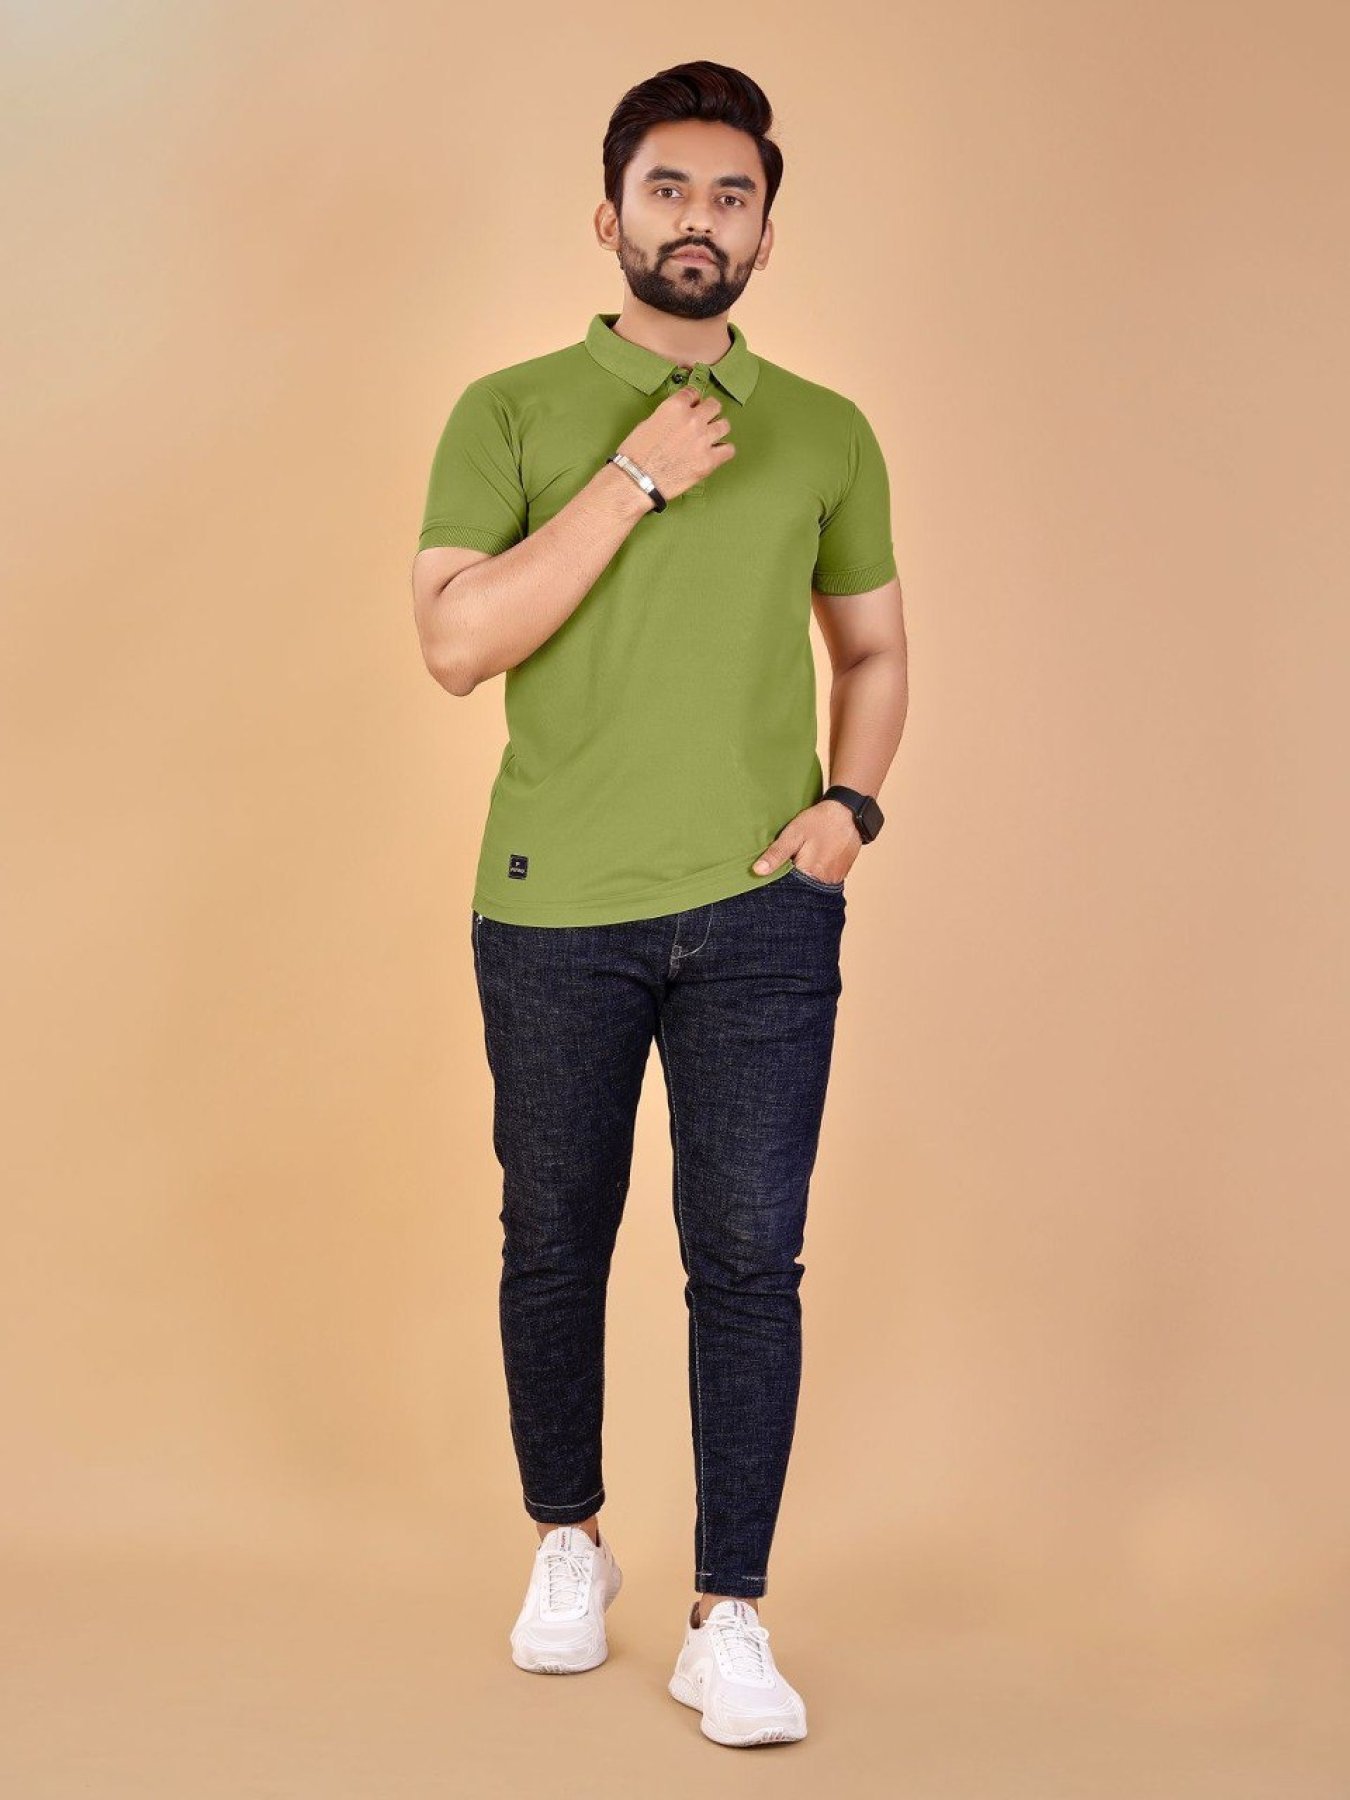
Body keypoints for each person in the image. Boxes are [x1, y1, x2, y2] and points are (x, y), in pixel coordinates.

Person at [410, 59, 907, 1749]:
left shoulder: (826, 430)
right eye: (669, 188)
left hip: (761, 915)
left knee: (747, 1260)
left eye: (731, 195)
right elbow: (456, 642)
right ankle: (569, 1541)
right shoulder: (510, 410)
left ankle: (728, 1617)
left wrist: (849, 808)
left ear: (765, 232)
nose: (699, 219)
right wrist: (633, 476)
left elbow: (874, 649)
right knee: (553, 1240)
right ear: (608, 214)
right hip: (551, 906)